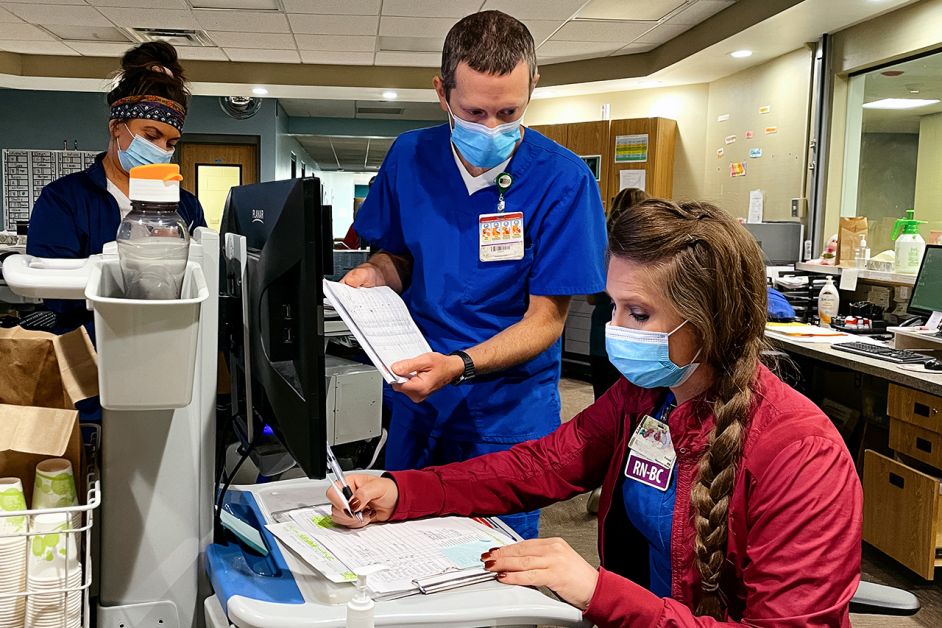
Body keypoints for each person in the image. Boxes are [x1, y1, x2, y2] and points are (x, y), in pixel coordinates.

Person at [329, 198, 863, 626]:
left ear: (711, 321)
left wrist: (596, 591)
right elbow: (540, 466)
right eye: (614, 307)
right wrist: (403, 491)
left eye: (639, 313)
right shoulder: (644, 398)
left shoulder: (801, 455)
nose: (616, 329)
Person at [342, 11, 607, 539]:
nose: (492, 128)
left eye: (508, 112)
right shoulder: (409, 157)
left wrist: (460, 366)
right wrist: (375, 272)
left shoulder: (564, 180)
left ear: (534, 86)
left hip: (504, 413)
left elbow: (545, 322)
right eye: (475, 111)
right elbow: (398, 258)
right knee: (401, 543)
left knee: (491, 562)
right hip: (418, 396)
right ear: (443, 93)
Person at [27, 41, 206, 339]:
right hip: (91, 351)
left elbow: (202, 284)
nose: (161, 150)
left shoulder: (185, 206)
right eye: (151, 135)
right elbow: (56, 295)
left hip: (171, 344)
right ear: (116, 127)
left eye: (171, 143)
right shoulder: (65, 199)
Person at [588, 187, 649, 400]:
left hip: (603, 333)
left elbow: (591, 297)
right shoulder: (649, 250)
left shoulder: (601, 246)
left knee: (604, 400)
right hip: (638, 338)